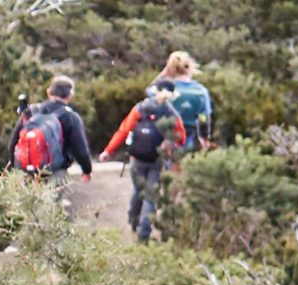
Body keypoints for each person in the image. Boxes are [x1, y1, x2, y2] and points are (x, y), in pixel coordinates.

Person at [110, 82, 180, 241]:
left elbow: (124, 130)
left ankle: (133, 220)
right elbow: (180, 136)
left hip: (137, 157)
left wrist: (109, 150)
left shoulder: (140, 109)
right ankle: (144, 232)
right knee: (151, 195)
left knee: (137, 189)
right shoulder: (171, 112)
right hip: (157, 160)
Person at [13, 75, 95, 187]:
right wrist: (87, 170)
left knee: (28, 203)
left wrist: (15, 165)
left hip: (26, 169)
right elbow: (81, 150)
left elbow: (14, 142)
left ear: (48, 92)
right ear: (69, 96)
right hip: (55, 172)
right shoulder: (70, 116)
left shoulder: (31, 111)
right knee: (52, 203)